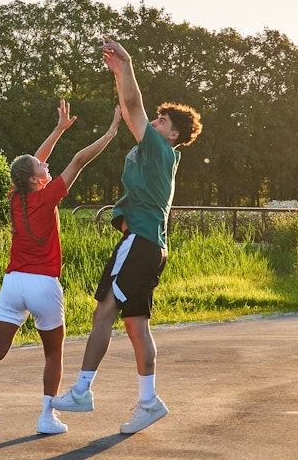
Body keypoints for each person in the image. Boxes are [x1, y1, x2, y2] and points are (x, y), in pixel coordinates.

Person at [0, 99, 122, 435]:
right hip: (43, 286)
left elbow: (34, 162)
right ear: (36, 179)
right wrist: (111, 132)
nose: (46, 167)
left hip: (13, 285)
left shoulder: (15, 196)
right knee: (53, 354)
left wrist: (58, 129)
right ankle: (46, 416)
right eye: (42, 168)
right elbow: (79, 160)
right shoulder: (47, 195)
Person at [52, 37, 202, 434]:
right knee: (136, 325)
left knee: (103, 310)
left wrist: (125, 67)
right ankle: (149, 402)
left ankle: (82, 391)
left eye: (161, 123)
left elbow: (133, 107)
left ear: (171, 136)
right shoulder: (157, 155)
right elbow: (136, 114)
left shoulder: (160, 151)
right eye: (156, 120)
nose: (153, 123)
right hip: (151, 246)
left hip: (141, 243)